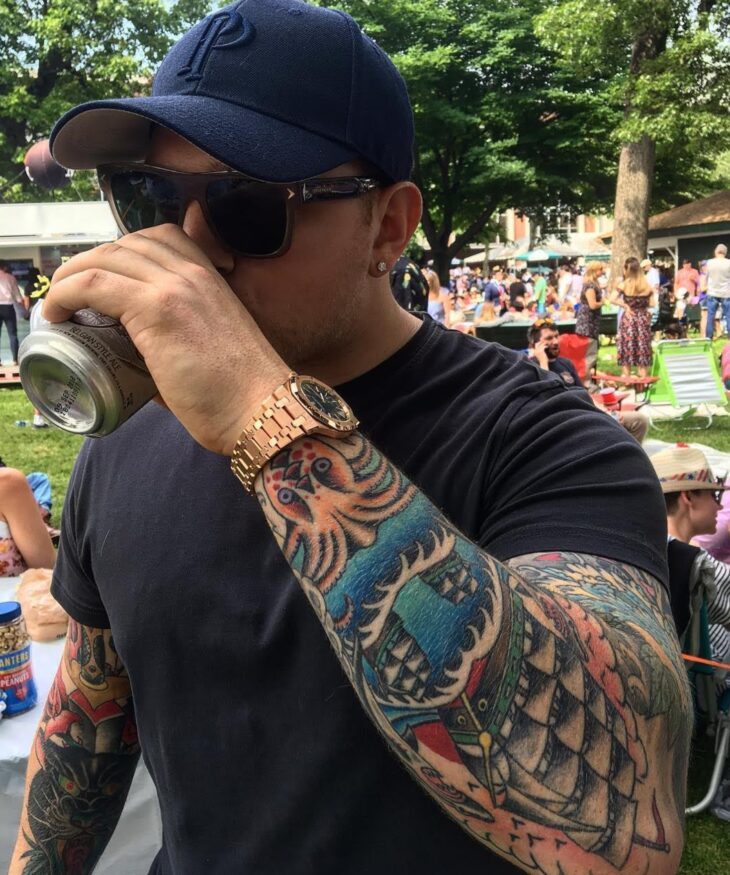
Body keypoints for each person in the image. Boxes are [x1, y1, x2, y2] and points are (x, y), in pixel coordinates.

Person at [11, 3, 690, 874]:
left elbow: (621, 824)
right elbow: (87, 725)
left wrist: (264, 416)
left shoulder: (546, 442)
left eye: (246, 206)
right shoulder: (128, 434)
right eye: (151, 198)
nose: (189, 249)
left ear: (390, 226)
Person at [649, 444, 730, 822]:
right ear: (688, 497)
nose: (718, 507)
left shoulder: (638, 547)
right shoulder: (696, 565)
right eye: (714, 496)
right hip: (690, 678)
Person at [527, 320, 649, 443]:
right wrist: (543, 362)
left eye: (556, 336)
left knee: (638, 420)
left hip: (584, 414)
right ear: (535, 344)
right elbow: (547, 397)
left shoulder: (565, 363)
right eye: (549, 338)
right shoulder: (530, 368)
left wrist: (605, 411)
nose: (555, 341)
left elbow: (584, 393)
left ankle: (628, 455)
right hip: (562, 423)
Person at [0, 466, 56, 575]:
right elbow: (48, 570)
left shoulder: (8, 482)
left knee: (40, 478)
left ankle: (43, 519)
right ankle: (43, 520)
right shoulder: (8, 482)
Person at [615, 256, 654, 379]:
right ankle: (643, 377)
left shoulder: (624, 284)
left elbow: (611, 298)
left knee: (627, 345)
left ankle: (626, 377)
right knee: (642, 346)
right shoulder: (647, 285)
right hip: (642, 318)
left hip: (629, 318)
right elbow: (652, 304)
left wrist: (625, 306)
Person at [574, 261, 606, 382]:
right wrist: (602, 302)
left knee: (592, 351)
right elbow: (592, 305)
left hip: (592, 322)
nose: (602, 272)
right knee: (589, 351)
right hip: (587, 323)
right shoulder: (590, 286)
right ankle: (586, 379)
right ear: (594, 270)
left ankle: (591, 378)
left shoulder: (593, 284)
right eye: (600, 269)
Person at [0, 260, 29, 365]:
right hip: (8, 307)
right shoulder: (10, 277)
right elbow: (18, 296)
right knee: (12, 334)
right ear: (4, 267)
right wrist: (25, 310)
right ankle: (14, 360)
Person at [705, 243, 730, 340]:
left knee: (710, 316)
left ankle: (708, 337)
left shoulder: (710, 262)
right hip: (726, 293)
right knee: (728, 315)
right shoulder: (729, 263)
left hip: (712, 292)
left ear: (716, 251)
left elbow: (706, 276)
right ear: (725, 253)